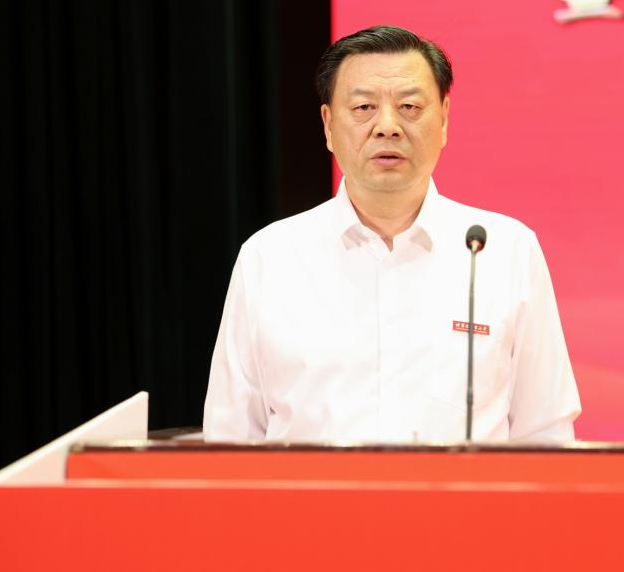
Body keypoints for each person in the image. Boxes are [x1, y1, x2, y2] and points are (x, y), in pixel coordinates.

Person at [203, 25, 580, 443]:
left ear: (444, 119)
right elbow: (231, 434)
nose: (387, 126)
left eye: (409, 107)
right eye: (363, 107)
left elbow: (545, 433)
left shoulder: (504, 251)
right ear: (328, 124)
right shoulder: (270, 256)